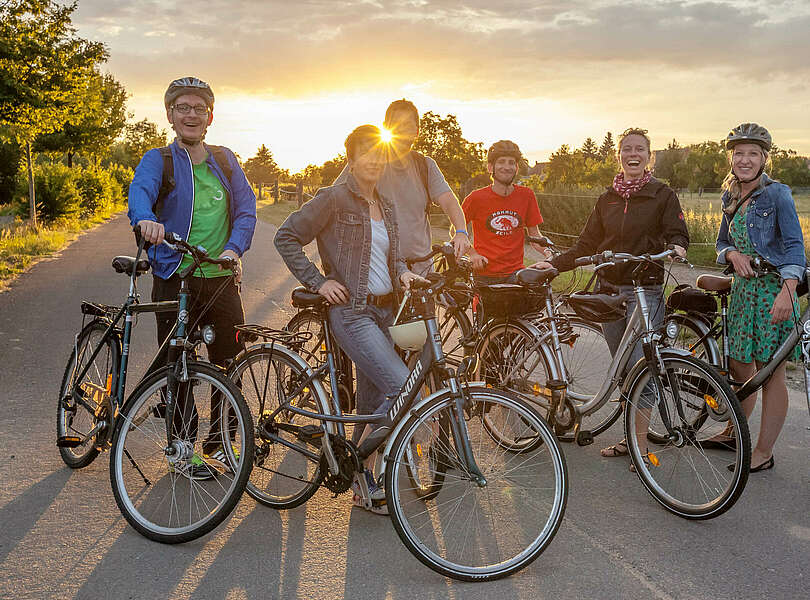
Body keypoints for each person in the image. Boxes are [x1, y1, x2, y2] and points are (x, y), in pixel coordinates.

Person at [275, 125, 427, 514]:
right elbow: (287, 236)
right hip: (353, 313)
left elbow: (390, 260)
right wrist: (318, 280)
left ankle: (361, 480)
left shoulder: (386, 205)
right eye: (366, 153)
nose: (374, 160)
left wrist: (404, 274)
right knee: (402, 389)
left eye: (379, 152)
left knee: (375, 401)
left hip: (388, 310)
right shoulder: (334, 199)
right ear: (352, 159)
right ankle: (359, 465)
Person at [533, 127, 689, 468]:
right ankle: (629, 439)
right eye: (627, 149)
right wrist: (554, 264)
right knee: (622, 370)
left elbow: (677, 231)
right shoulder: (607, 199)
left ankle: (638, 445)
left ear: (650, 156)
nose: (633, 154)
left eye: (640, 149)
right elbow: (586, 245)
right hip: (609, 292)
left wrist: (677, 247)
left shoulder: (662, 194)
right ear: (618, 156)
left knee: (642, 367)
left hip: (645, 291)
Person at [128, 76, 257, 476]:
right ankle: (182, 449)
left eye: (199, 108)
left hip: (218, 277)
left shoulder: (225, 159)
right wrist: (146, 220)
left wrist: (233, 249)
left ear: (210, 117)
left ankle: (220, 446)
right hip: (174, 274)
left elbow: (247, 209)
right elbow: (140, 194)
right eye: (182, 107)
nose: (191, 114)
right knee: (178, 364)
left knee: (228, 363)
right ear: (170, 115)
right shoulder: (158, 160)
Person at [714, 123, 805, 473]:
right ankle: (732, 432)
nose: (745, 159)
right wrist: (732, 255)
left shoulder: (777, 193)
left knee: (771, 375)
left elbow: (795, 246)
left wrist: (788, 290)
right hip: (742, 293)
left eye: (753, 153)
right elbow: (723, 242)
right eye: (739, 153)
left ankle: (763, 452)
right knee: (741, 369)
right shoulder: (730, 195)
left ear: (764, 158)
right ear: (731, 158)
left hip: (773, 292)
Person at [335, 99, 471, 271]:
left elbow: (449, 201)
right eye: (396, 125)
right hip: (376, 271)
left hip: (420, 272)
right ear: (386, 128)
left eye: (407, 125)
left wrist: (461, 232)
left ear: (417, 131)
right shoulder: (369, 162)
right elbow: (333, 199)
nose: (401, 131)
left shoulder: (425, 166)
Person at [461, 140, 549, 284]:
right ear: (490, 167)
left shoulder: (527, 195)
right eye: (501, 162)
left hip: (516, 274)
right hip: (484, 274)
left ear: (516, 167)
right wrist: (472, 254)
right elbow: (457, 232)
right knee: (486, 307)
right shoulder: (475, 198)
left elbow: (535, 235)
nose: (507, 167)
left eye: (511, 162)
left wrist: (548, 252)